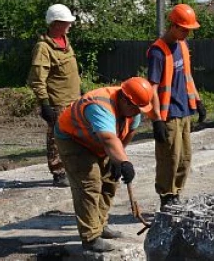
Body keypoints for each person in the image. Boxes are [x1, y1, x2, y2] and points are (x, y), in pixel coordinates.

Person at [55, 77, 153, 252]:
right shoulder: (100, 106)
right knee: (89, 184)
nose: (139, 112)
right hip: (74, 139)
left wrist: (119, 158)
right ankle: (90, 237)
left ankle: (99, 224)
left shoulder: (133, 110)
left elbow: (128, 132)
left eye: (141, 109)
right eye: (136, 108)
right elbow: (108, 138)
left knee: (110, 180)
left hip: (100, 142)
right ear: (125, 99)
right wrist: (124, 162)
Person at [147, 4, 206, 209]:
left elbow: (187, 76)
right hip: (168, 114)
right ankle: (166, 196)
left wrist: (197, 101)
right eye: (184, 28)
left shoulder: (182, 45)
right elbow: (152, 89)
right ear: (173, 26)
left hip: (184, 110)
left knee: (185, 158)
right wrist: (157, 120)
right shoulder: (158, 52)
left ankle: (177, 194)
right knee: (169, 159)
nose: (187, 32)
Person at [28, 3, 81, 187]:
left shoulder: (65, 42)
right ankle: (58, 172)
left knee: (74, 137)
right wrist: (44, 103)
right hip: (57, 102)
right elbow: (37, 79)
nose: (70, 26)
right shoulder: (43, 48)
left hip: (74, 100)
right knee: (56, 138)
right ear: (55, 23)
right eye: (66, 22)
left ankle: (71, 169)